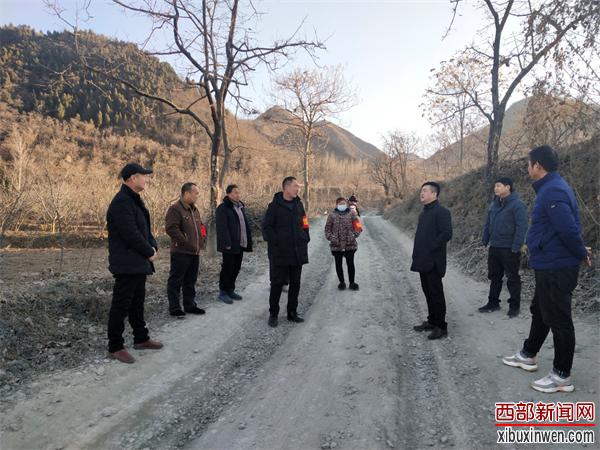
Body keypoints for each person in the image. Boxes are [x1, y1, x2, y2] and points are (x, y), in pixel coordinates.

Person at [503, 145, 591, 393]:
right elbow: (564, 227)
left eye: (528, 164)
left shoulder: (552, 190)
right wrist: (579, 250)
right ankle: (528, 354)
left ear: (537, 165)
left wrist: (581, 253)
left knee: (559, 319)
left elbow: (568, 229)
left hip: (556, 265)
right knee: (541, 310)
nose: (528, 168)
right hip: (549, 262)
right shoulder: (551, 187)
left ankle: (562, 375)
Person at [106, 163, 163, 364]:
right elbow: (130, 233)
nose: (146, 179)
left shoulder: (134, 200)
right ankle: (115, 346)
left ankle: (141, 338)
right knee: (121, 305)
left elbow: (145, 230)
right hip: (126, 262)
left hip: (137, 261)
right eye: (143, 176)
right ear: (133, 177)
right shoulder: (121, 201)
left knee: (137, 302)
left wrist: (153, 246)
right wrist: (149, 252)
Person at [262, 177, 310, 327]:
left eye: (298, 186)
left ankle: (292, 312)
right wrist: (277, 241)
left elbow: (304, 222)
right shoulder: (274, 206)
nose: (297, 189)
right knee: (277, 283)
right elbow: (266, 227)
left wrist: (305, 236)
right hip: (280, 251)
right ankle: (273, 314)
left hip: (297, 250)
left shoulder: (298, 205)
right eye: (295, 186)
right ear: (286, 188)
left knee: (295, 283)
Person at [478, 177, 528, 318]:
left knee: (512, 277)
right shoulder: (494, 205)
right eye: (495, 186)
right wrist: (485, 240)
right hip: (495, 246)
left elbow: (521, 226)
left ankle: (514, 305)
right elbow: (487, 224)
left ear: (508, 187)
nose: (496, 188)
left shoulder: (517, 204)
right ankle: (493, 302)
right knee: (495, 276)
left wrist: (516, 245)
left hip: (509, 248)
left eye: (498, 186)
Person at [411, 182, 453, 340]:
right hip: (422, 259)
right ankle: (432, 321)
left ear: (434, 194)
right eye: (421, 191)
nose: (421, 193)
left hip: (434, 260)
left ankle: (441, 326)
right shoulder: (424, 213)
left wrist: (431, 247)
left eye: (425, 191)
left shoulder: (441, 211)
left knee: (436, 293)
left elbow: (446, 233)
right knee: (427, 291)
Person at [165, 182, 206, 317]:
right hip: (181, 252)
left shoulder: (195, 210)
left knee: (190, 280)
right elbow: (171, 228)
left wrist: (202, 240)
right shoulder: (175, 209)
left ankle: (190, 305)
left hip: (194, 252)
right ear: (186, 193)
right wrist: (185, 241)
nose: (197, 196)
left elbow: (201, 227)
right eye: (196, 193)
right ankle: (175, 308)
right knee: (176, 280)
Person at [215, 184, 253, 304]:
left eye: (239, 193)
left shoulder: (240, 207)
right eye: (235, 192)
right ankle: (223, 291)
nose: (238, 195)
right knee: (227, 268)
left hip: (240, 243)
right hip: (229, 244)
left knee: (236, 268)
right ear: (228, 194)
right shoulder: (223, 208)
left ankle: (231, 289)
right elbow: (222, 227)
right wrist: (226, 243)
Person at [324, 197, 362, 290]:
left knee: (350, 263)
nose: (342, 205)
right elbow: (327, 230)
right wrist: (332, 238)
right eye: (340, 203)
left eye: (343, 203)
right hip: (336, 245)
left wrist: (353, 235)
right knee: (338, 263)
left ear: (346, 204)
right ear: (336, 205)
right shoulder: (331, 216)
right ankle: (341, 282)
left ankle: (352, 282)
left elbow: (358, 226)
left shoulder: (352, 214)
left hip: (350, 243)